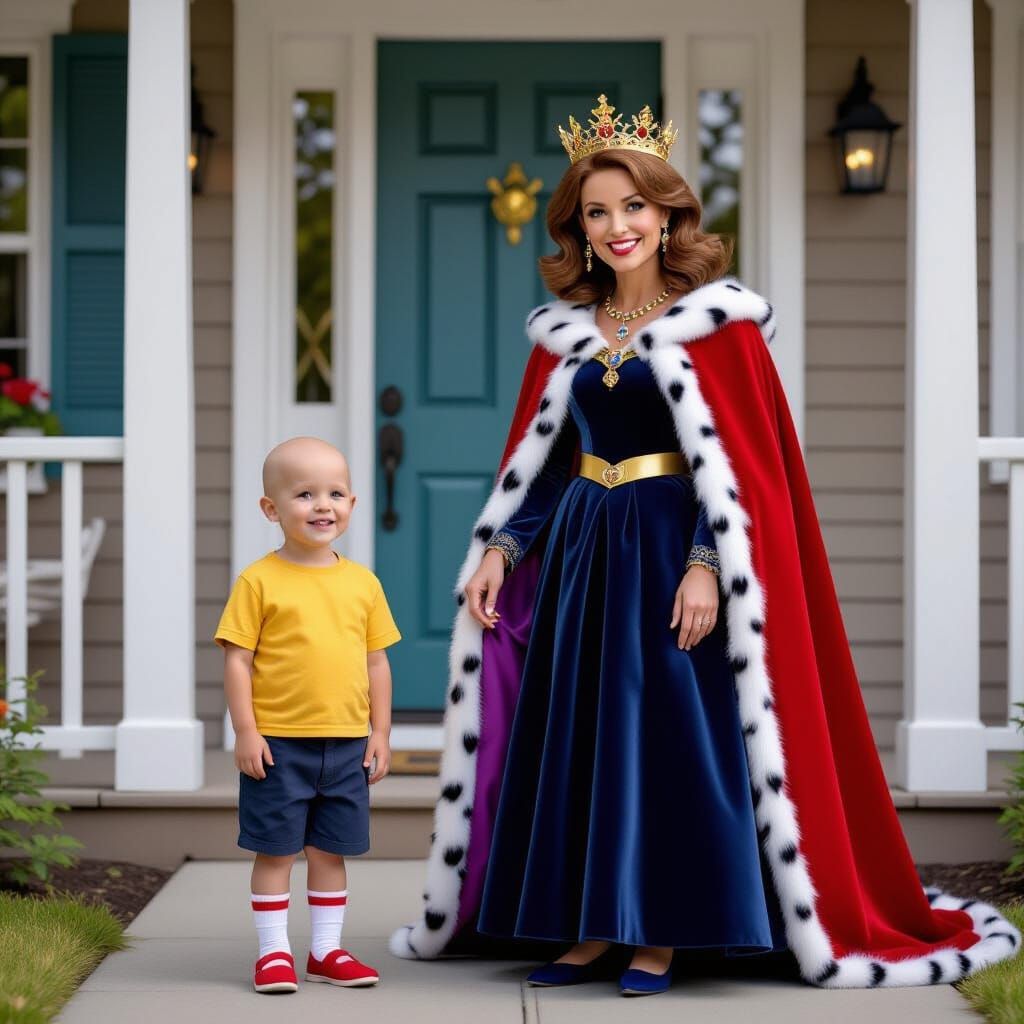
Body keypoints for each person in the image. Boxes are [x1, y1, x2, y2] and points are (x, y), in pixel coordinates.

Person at [390, 95, 1020, 993]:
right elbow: (550, 464)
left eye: (634, 207)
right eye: (597, 212)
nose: (617, 227)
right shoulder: (565, 337)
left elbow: (740, 476)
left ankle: (662, 934)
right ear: (577, 226)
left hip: (668, 552)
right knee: (582, 738)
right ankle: (588, 927)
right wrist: (503, 548)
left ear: (668, 213)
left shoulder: (720, 330)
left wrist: (704, 567)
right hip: (582, 557)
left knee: (669, 740)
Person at [215, 436, 401, 994]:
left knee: (331, 851)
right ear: (271, 509)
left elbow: (377, 662)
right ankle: (274, 953)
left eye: (336, 494)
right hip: (278, 745)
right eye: (304, 494)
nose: (323, 505)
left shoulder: (363, 583)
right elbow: (237, 661)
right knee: (275, 851)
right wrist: (246, 731)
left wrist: (380, 732)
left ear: (352, 504)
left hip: (346, 746)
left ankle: (325, 951)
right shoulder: (259, 581)